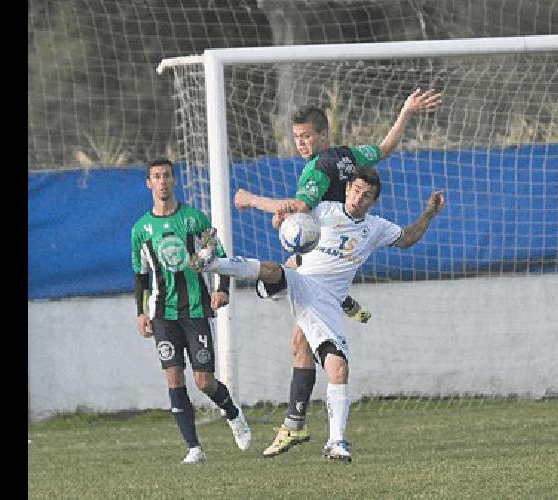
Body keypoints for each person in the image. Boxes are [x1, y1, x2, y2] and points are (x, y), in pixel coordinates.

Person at [232, 88, 442, 457]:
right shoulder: (351, 156)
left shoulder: (318, 167)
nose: (300, 144)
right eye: (296, 138)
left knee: (290, 307)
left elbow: (299, 205)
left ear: (323, 134)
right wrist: (406, 111)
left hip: (323, 252)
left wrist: (250, 200)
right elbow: (385, 148)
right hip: (331, 252)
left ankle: (302, 425)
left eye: (306, 136)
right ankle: (296, 424)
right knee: (299, 341)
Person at [191, 166, 445, 462]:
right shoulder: (324, 210)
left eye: (367, 195)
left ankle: (336, 442)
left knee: (338, 368)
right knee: (275, 269)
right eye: (356, 190)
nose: (358, 198)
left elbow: (407, 239)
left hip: (324, 303)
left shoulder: (375, 228)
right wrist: (266, 210)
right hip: (301, 281)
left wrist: (429, 214)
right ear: (348, 188)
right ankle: (211, 263)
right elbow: (290, 210)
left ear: (373, 202)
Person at [131, 158, 252, 463]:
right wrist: (141, 312)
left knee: (204, 381)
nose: (161, 181)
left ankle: (233, 414)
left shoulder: (194, 219)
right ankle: (194, 448)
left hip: (195, 310)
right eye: (156, 177)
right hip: (162, 314)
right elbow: (140, 274)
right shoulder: (140, 230)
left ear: (174, 181)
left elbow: (220, 254)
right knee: (173, 378)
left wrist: (222, 288)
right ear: (148, 183)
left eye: (166, 176)